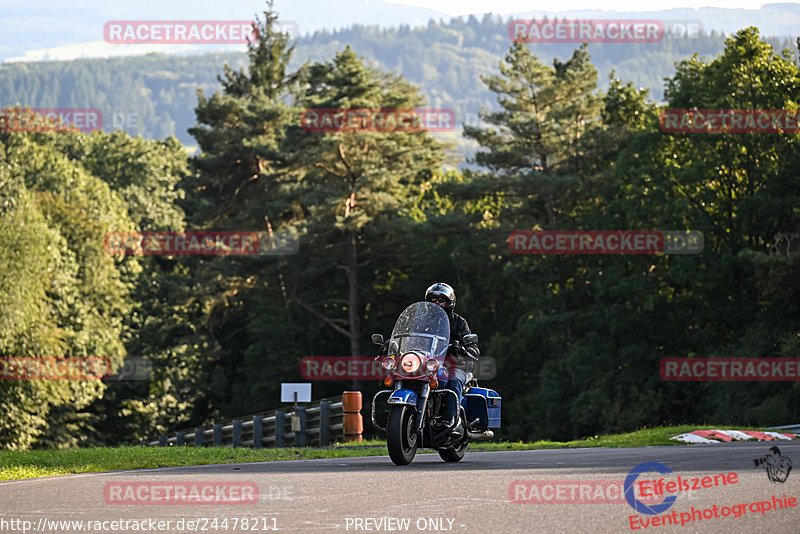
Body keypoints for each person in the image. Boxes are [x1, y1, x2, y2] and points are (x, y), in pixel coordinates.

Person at [424, 282, 480, 436]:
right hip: (430, 366)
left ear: (449, 302)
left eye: (440, 300)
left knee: (453, 381)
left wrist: (464, 348)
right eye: (432, 300)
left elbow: (473, 348)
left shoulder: (459, 322)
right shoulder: (424, 322)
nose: (436, 303)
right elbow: (412, 337)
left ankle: (452, 419)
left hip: (456, 366)